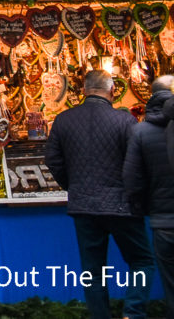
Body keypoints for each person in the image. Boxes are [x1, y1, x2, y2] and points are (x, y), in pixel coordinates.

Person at [46, 69, 154, 319]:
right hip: (121, 206)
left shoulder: (64, 120)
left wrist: (73, 185)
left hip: (84, 207)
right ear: (112, 91)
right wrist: (134, 193)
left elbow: (52, 159)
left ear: (83, 91)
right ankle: (133, 312)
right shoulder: (125, 120)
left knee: (93, 270)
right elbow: (137, 163)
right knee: (141, 261)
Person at [124, 75, 174, 313]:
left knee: (170, 284)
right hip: (162, 217)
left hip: (163, 221)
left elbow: (133, 179)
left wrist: (141, 208)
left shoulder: (141, 131)